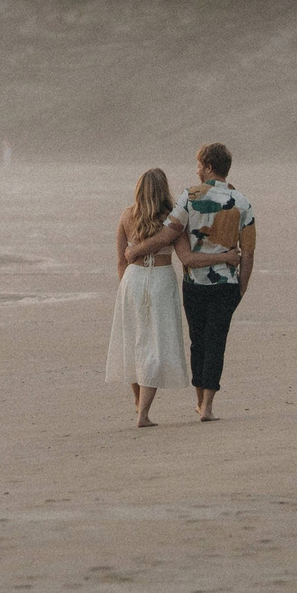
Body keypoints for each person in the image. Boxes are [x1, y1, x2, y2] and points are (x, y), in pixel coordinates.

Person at [105, 167, 240, 427]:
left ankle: (138, 406)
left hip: (132, 280)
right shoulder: (172, 219)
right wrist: (226, 256)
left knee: (134, 341)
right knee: (155, 344)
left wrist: (125, 287)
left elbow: (120, 260)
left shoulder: (126, 216)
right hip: (160, 279)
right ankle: (143, 413)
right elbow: (187, 258)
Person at [177, 142, 256, 421]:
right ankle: (207, 405)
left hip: (194, 282)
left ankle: (201, 401)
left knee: (197, 342)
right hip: (227, 284)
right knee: (215, 342)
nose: (197, 170)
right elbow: (248, 251)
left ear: (209, 167)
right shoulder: (242, 201)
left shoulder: (188, 196)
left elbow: (173, 229)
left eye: (199, 165)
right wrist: (241, 287)